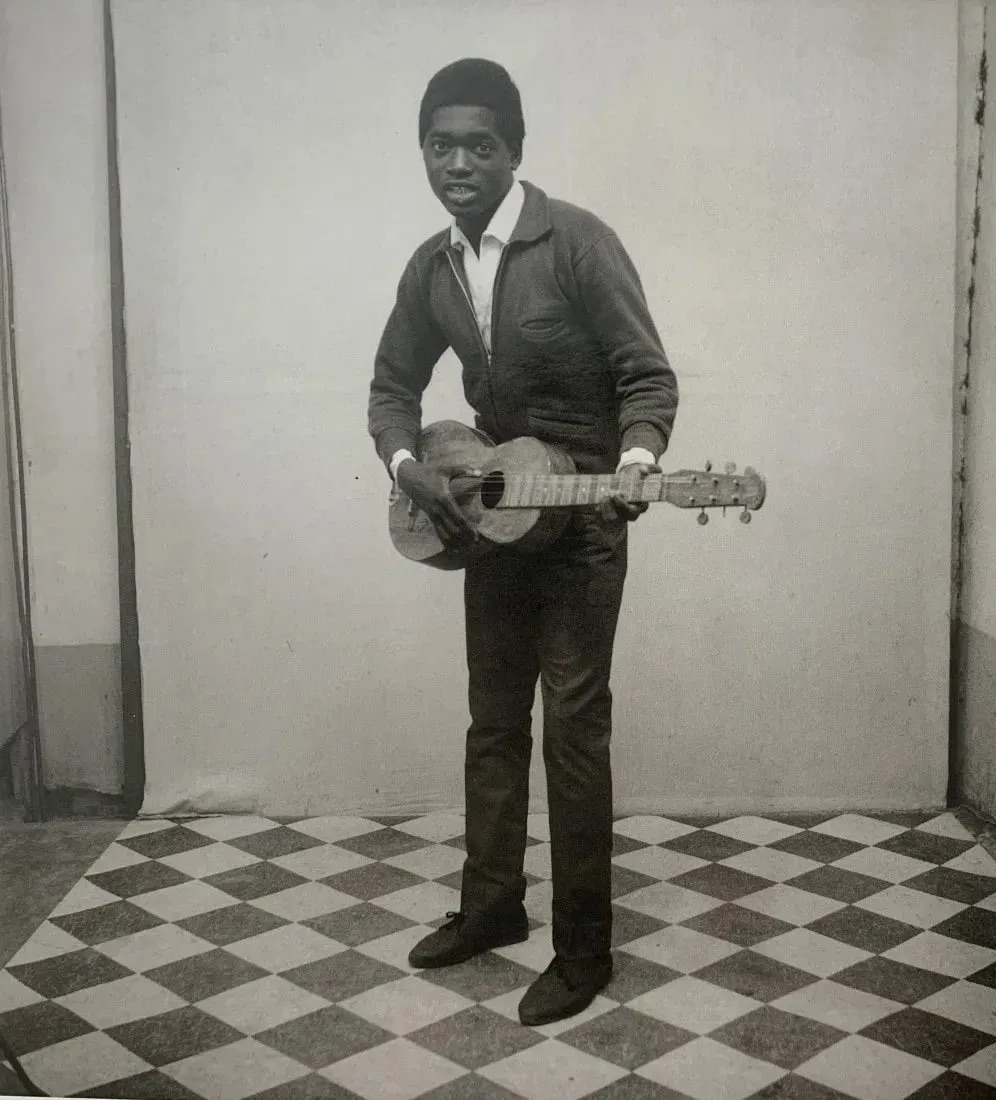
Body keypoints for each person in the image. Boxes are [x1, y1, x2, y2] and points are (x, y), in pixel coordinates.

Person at [368, 58, 678, 1026]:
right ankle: (491, 908)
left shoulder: (577, 241)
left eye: (479, 145)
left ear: (514, 152)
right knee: (493, 721)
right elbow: (391, 388)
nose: (458, 163)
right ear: (423, 151)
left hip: (583, 525)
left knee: (572, 732)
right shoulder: (432, 266)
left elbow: (647, 376)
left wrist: (634, 459)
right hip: (490, 524)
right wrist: (410, 467)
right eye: (440, 145)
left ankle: (583, 948)